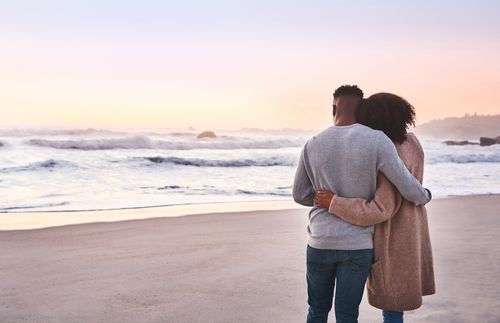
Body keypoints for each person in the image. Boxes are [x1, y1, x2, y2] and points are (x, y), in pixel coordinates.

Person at [292, 85, 432, 323]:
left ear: (333, 107)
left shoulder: (313, 143)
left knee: (316, 310)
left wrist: (324, 201)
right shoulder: (386, 142)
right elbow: (407, 186)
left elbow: (299, 195)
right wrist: (424, 194)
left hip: (323, 239)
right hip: (360, 243)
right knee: (348, 315)